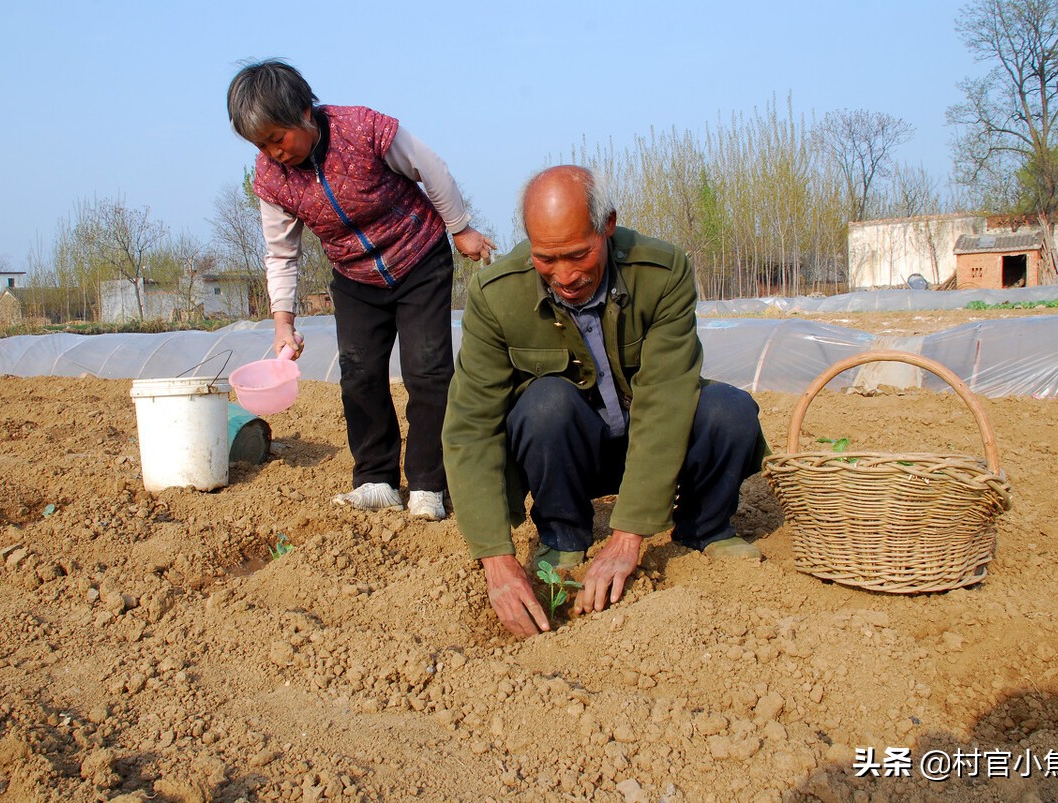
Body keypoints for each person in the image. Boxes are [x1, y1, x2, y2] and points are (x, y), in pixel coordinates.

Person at [442, 165, 768, 638]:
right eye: (546, 259)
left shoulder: (662, 272)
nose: (566, 275)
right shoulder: (497, 297)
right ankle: (563, 536)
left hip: (655, 449)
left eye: (579, 254)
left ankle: (705, 527)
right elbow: (471, 426)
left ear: (608, 224)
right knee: (545, 403)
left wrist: (627, 538)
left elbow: (665, 402)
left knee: (729, 411)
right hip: (575, 453)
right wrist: (497, 561)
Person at [227, 59, 495, 521]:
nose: (273, 152)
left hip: (418, 259)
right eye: (261, 145)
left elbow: (429, 168)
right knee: (359, 375)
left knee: (428, 373)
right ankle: (376, 479)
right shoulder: (272, 179)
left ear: (303, 114)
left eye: (277, 138)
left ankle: (430, 485)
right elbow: (281, 252)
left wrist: (461, 228)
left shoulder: (362, 128)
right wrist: (283, 322)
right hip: (354, 278)